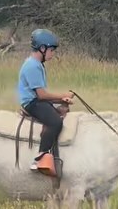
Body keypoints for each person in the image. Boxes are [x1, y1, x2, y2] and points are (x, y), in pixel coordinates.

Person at [17, 29, 75, 175]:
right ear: (42, 48)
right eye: (51, 50)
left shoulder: (37, 64)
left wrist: (61, 100)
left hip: (37, 100)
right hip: (32, 103)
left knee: (62, 112)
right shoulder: (32, 66)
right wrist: (62, 95)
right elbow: (41, 95)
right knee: (55, 122)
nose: (52, 54)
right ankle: (41, 157)